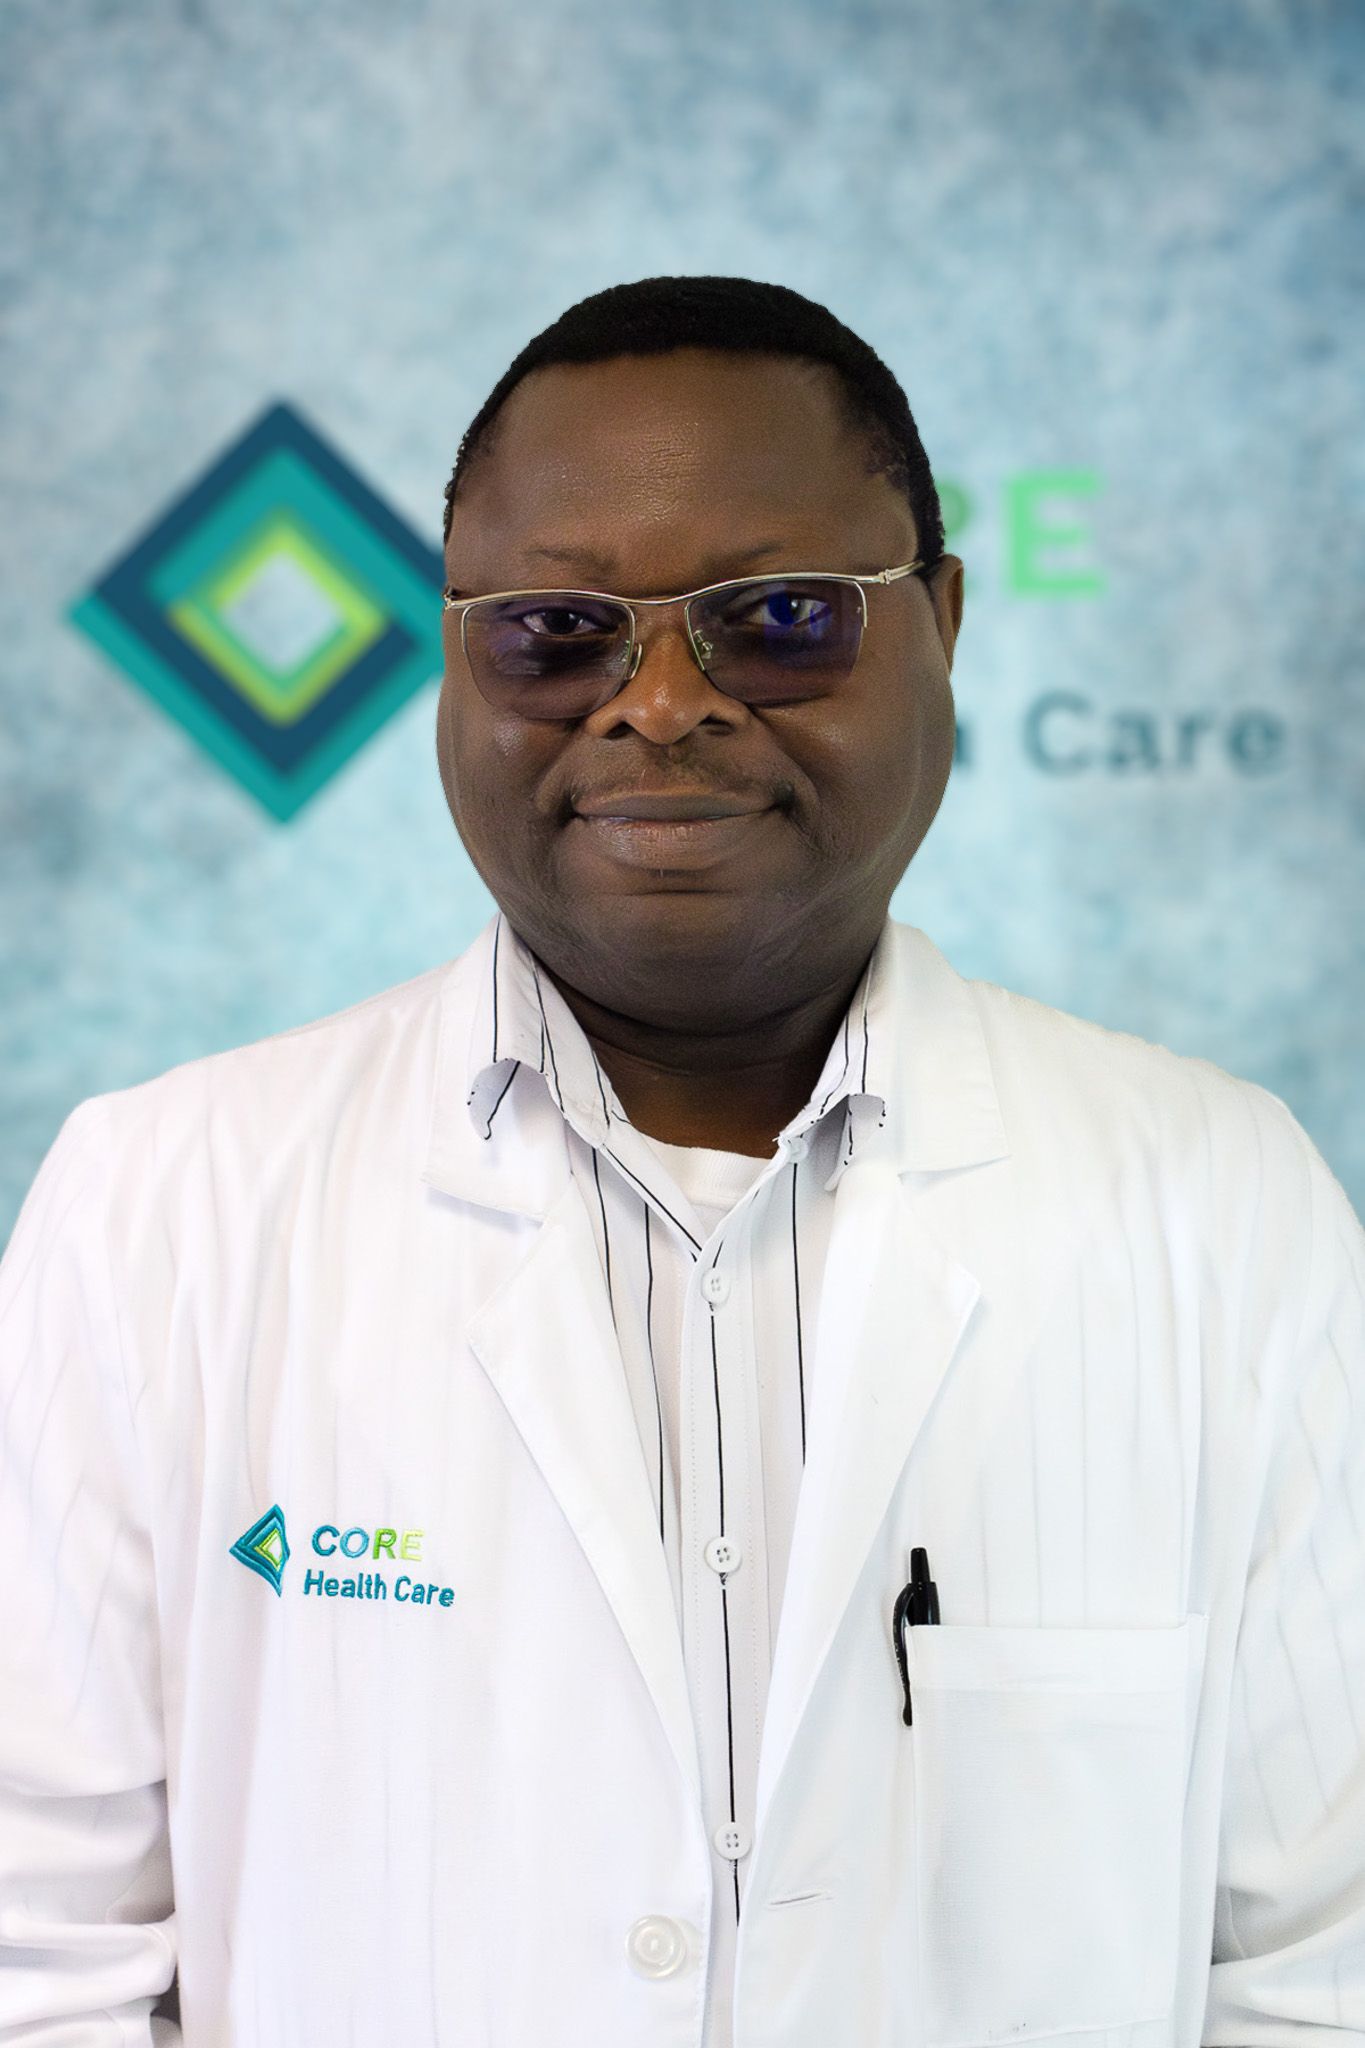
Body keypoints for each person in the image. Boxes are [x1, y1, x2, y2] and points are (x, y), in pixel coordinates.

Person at [1, 275, 1361, 2048]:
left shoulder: (1224, 1208)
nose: (655, 703)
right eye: (556, 634)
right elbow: (42, 1962)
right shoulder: (159, 1208)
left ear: (939, 623)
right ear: (453, 657)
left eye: (778, 618)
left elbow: (1314, 1967)